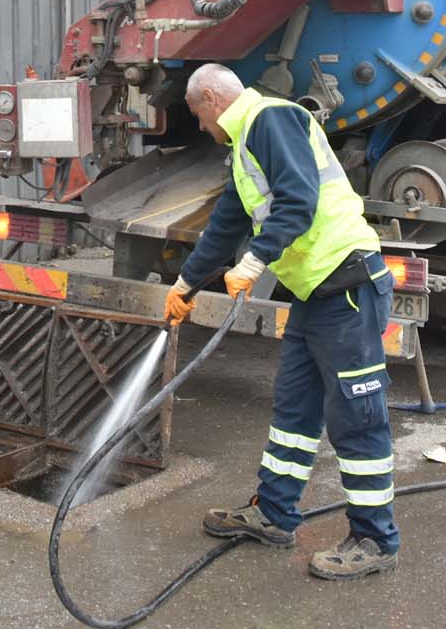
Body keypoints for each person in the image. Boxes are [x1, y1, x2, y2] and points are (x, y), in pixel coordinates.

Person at [164, 63, 400, 580]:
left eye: (200, 118)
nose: (203, 129)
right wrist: (186, 284)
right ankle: (273, 514)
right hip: (313, 293)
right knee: (294, 409)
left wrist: (255, 261)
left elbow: (300, 200)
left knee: (356, 422)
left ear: (211, 97)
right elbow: (226, 223)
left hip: (348, 287)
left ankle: (374, 538)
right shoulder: (246, 148)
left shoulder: (272, 120)